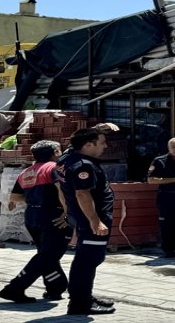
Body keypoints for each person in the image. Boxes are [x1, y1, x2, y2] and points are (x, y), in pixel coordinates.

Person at [0, 140, 71, 303]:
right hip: (53, 216)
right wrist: (68, 213)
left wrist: (34, 197)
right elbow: (61, 191)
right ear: (56, 152)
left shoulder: (25, 173)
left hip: (32, 216)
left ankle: (56, 287)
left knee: (46, 255)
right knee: (49, 255)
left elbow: (14, 199)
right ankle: (15, 287)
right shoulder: (53, 168)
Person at [55, 127, 116, 315]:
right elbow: (82, 193)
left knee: (85, 258)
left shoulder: (67, 157)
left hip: (81, 217)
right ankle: (80, 303)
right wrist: (95, 221)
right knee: (88, 260)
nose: (105, 146)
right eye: (102, 142)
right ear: (88, 145)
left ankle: (84, 297)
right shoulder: (83, 165)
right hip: (91, 221)